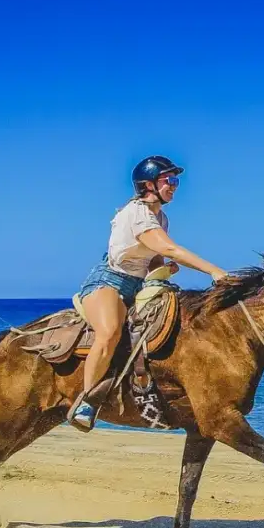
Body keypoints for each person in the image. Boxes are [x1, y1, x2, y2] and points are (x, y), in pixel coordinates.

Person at [67, 155, 228, 432]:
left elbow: (155, 256)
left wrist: (163, 270)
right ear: (149, 184)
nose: (175, 186)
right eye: (170, 180)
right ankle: (86, 401)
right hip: (108, 282)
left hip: (138, 285)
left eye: (176, 181)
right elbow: (168, 248)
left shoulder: (160, 218)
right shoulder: (136, 212)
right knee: (109, 333)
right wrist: (214, 271)